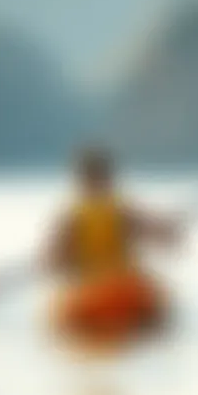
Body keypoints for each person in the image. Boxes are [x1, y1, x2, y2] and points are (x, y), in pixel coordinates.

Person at [42, 146, 179, 356]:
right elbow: (164, 237)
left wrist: (58, 261)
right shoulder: (122, 211)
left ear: (81, 181)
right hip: (125, 290)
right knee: (153, 322)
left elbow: (52, 263)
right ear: (109, 179)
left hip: (93, 295)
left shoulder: (73, 217)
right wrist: (168, 230)